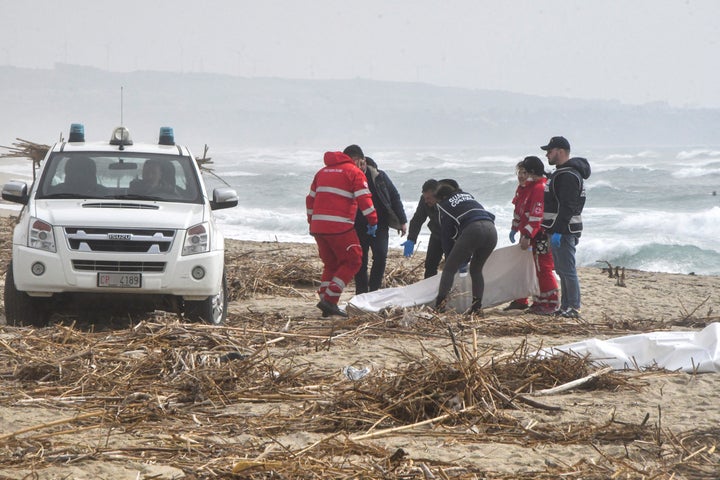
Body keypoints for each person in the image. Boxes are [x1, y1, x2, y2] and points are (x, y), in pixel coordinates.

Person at [306, 150, 378, 317]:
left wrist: (312, 220)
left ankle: (325, 299)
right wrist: (373, 221)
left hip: (318, 227)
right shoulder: (354, 172)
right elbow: (364, 199)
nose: (362, 166)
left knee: (331, 264)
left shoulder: (322, 172)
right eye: (361, 162)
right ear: (357, 160)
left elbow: (310, 200)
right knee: (354, 259)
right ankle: (330, 300)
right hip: (339, 227)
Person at [344, 145, 408, 294]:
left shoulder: (379, 176)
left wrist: (402, 221)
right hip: (357, 225)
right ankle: (361, 292)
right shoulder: (346, 178)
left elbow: (394, 197)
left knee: (380, 256)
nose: (352, 167)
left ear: (363, 161)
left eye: (354, 163)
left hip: (380, 224)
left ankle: (374, 291)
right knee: (360, 260)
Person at [540, 136, 591, 319]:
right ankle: (565, 306)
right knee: (561, 269)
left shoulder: (568, 175)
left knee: (568, 270)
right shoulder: (562, 173)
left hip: (564, 230)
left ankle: (573, 307)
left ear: (560, 151)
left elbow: (567, 206)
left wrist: (559, 231)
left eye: (550, 151)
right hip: (559, 229)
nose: (547, 154)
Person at [434, 180, 497, 315]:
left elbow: (446, 235)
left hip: (473, 230)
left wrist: (449, 256)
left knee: (449, 269)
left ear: (442, 198)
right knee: (476, 270)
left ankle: (439, 307)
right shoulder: (467, 196)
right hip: (491, 230)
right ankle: (476, 307)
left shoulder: (444, 205)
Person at [507, 156, 560, 315]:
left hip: (541, 235)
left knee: (543, 267)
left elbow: (537, 215)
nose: (522, 176)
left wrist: (528, 235)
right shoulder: (526, 187)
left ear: (532, 172)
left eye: (525, 172)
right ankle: (537, 301)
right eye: (519, 172)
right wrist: (515, 228)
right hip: (531, 234)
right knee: (533, 268)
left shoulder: (539, 188)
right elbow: (520, 210)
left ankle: (550, 302)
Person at [402, 179, 444, 278]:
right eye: (424, 198)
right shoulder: (425, 200)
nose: (426, 201)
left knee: (452, 265)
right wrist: (411, 239)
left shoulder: (449, 200)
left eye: (428, 198)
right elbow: (417, 219)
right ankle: (429, 290)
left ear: (437, 195)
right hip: (436, 233)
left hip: (452, 236)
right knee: (430, 265)